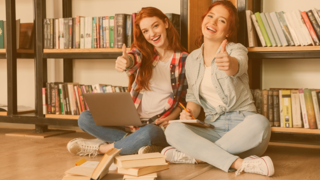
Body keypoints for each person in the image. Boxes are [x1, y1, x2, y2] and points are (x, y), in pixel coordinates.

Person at [161, 1, 274, 177]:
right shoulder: (192, 59)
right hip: (213, 128)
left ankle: (198, 156)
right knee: (173, 129)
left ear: (228, 31)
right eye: (210, 16)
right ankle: (239, 163)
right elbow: (194, 99)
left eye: (221, 21)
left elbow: (239, 65)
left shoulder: (236, 50)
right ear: (203, 20)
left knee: (261, 123)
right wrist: (189, 113)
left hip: (244, 128)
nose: (213, 23)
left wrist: (229, 64)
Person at [67, 7, 188, 157]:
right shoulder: (144, 54)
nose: (152, 34)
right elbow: (132, 57)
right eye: (146, 31)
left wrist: (170, 118)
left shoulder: (184, 59)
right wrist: (125, 61)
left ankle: (102, 148)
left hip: (156, 126)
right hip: (131, 122)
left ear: (166, 23)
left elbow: (184, 99)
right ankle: (135, 145)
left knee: (149, 133)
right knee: (85, 118)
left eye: (155, 26)